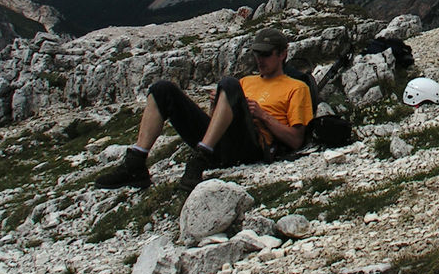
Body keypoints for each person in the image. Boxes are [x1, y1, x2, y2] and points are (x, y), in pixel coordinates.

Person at [95, 27, 314, 192]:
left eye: (266, 54)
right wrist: (216, 105)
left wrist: (262, 115)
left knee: (228, 84)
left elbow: (296, 140)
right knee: (162, 89)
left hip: (252, 145)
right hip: (221, 143)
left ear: (283, 54)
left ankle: (199, 160)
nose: (259, 59)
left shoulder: (297, 87)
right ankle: (135, 163)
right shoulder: (247, 81)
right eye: (257, 53)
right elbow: (216, 123)